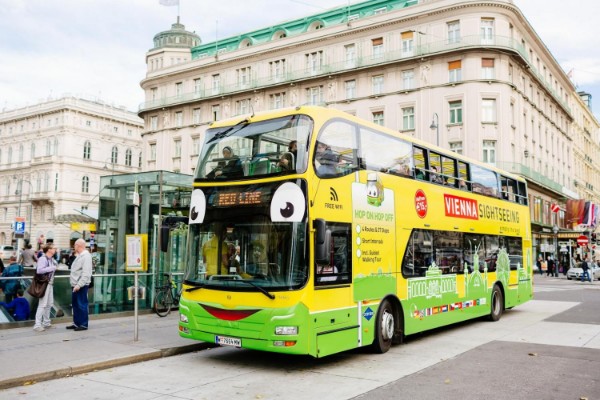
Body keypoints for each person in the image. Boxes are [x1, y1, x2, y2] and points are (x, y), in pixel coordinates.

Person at [66, 238, 93, 331]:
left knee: (82, 304)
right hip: (76, 285)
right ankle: (76, 323)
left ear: (78, 246)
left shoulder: (86, 256)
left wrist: (79, 285)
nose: (74, 247)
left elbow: (86, 273)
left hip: (80, 285)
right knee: (76, 305)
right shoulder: (80, 255)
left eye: (75, 245)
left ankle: (83, 324)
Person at [32, 244, 58, 332]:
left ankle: (46, 322)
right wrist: (52, 268)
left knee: (49, 304)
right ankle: (37, 324)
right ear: (49, 250)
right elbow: (39, 270)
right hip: (45, 284)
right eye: (54, 248)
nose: (55, 249)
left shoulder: (51, 259)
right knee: (42, 304)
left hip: (50, 283)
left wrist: (53, 267)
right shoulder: (43, 258)